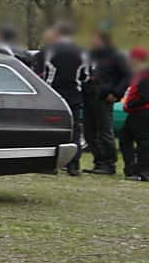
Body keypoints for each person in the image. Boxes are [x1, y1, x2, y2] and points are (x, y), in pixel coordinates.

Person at [40, 22, 88, 176]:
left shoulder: (51, 50)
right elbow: (85, 76)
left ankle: (51, 164)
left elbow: (45, 72)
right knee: (74, 130)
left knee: (52, 129)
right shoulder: (82, 51)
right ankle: (74, 165)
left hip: (55, 95)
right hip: (74, 95)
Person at [83, 29, 129, 175]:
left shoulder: (115, 56)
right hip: (88, 95)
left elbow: (127, 76)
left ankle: (109, 163)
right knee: (89, 132)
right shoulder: (90, 55)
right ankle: (99, 161)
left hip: (104, 96)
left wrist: (116, 93)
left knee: (104, 131)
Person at [118, 46, 149, 182]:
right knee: (125, 138)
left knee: (142, 142)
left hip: (142, 111)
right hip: (139, 111)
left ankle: (144, 172)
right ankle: (132, 169)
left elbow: (145, 96)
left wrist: (129, 105)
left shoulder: (146, 74)